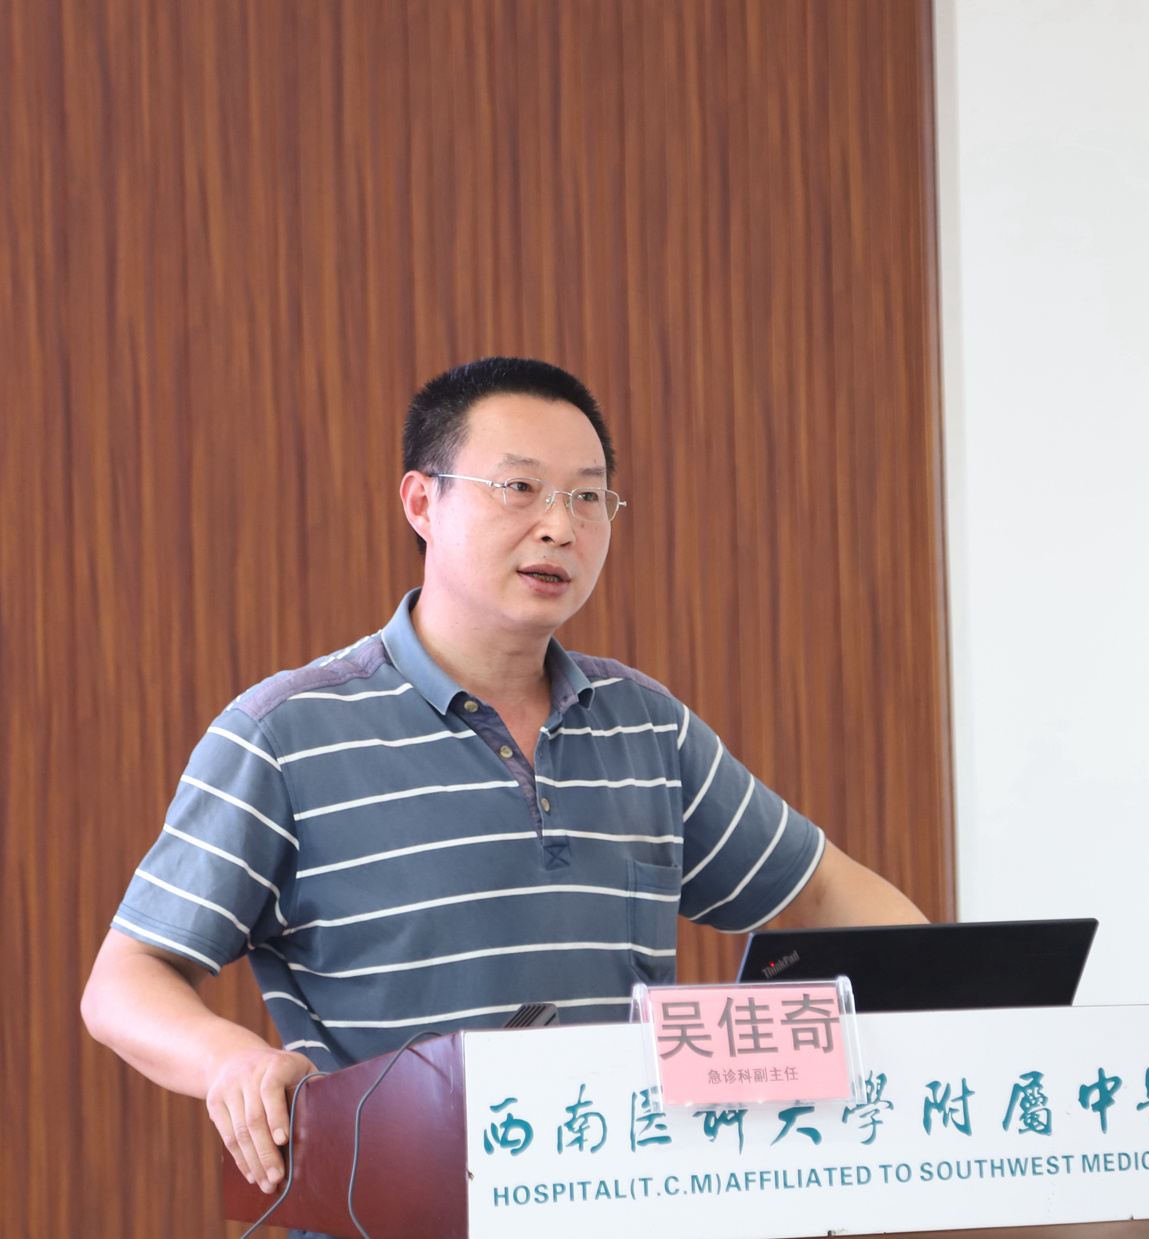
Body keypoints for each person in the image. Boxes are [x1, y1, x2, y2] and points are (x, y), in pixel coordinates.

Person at [81, 356, 926, 1214]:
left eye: (588, 497)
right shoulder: (284, 731)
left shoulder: (644, 724)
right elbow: (125, 980)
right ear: (422, 502)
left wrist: (961, 1004)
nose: (559, 526)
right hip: (393, 1213)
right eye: (519, 488)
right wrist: (233, 1061)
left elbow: (820, 890)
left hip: (628, 1207)